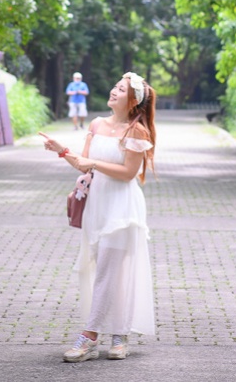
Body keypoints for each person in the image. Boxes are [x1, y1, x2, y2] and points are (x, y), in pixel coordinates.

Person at [40, 72, 156, 362]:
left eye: (121, 89)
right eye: (115, 86)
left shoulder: (137, 131)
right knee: (99, 267)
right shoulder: (96, 124)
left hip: (123, 207)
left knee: (108, 268)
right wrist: (62, 150)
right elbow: (84, 165)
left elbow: (129, 173)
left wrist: (94, 163)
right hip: (98, 204)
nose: (113, 91)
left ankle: (89, 336)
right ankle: (119, 333)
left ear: (132, 101)